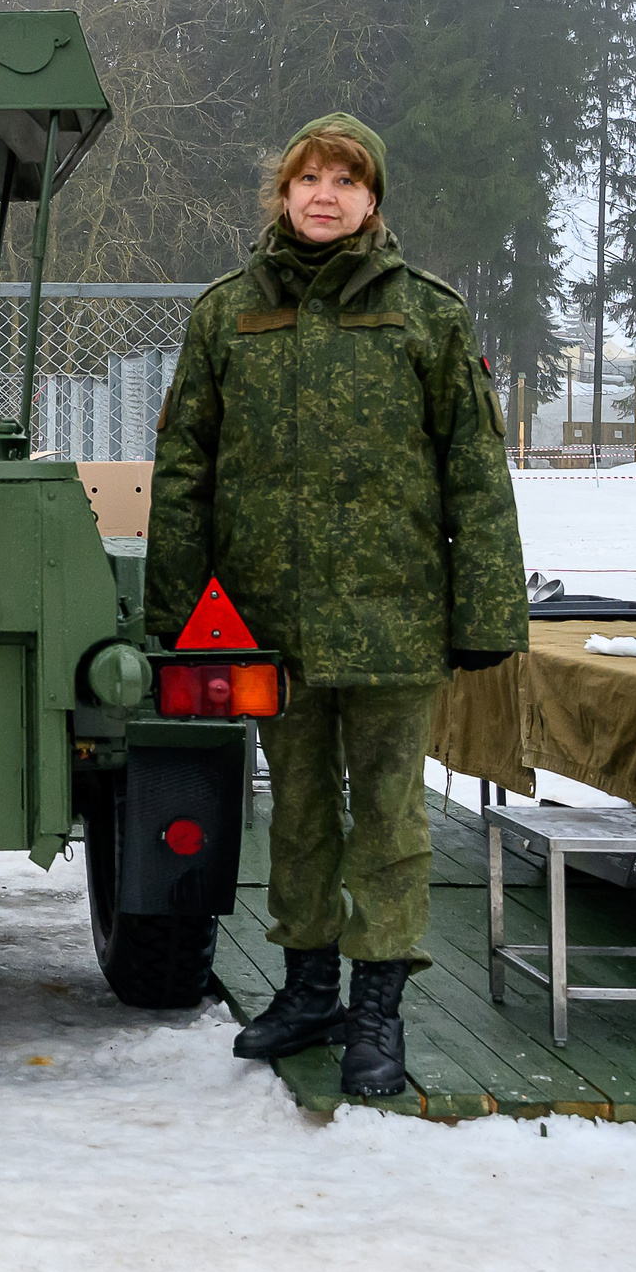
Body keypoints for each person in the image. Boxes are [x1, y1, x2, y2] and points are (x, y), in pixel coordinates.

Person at [145, 113, 524, 1097]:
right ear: (282, 196)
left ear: (372, 199)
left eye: (344, 180)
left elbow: (475, 473)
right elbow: (183, 472)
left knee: (392, 823)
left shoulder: (428, 318)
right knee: (301, 814)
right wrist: (178, 621)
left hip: (393, 622)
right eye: (306, 178)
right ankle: (307, 990)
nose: (323, 194)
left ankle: (376, 1013)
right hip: (271, 623)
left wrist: (484, 616)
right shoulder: (225, 315)